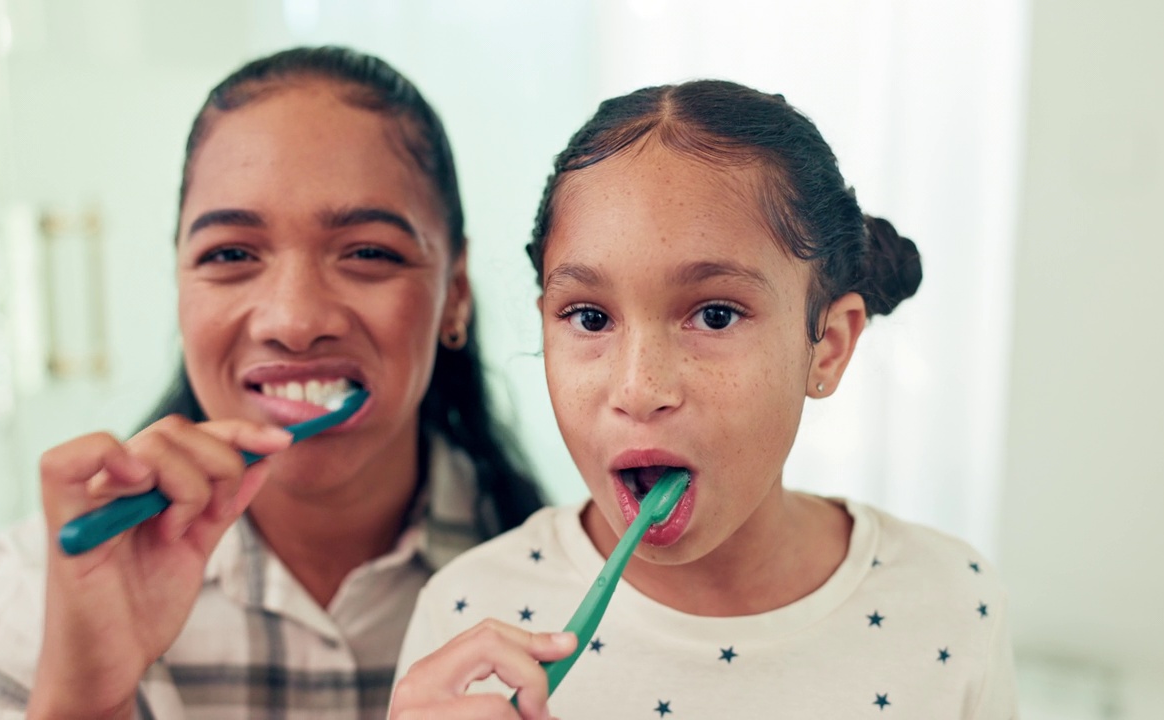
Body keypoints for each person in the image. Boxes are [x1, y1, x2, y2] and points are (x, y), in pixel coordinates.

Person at [0, 46, 545, 720]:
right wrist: (83, 698)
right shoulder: (40, 590)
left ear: (455, 294)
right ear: (179, 286)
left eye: (368, 252)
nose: (294, 321)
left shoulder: (562, 589)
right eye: (230, 254)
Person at [389, 79, 1018, 719]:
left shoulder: (949, 606)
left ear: (826, 345)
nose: (639, 389)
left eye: (715, 316)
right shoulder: (469, 620)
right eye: (589, 318)